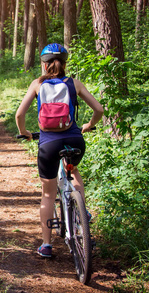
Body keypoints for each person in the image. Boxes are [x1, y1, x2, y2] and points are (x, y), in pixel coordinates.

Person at [15, 43, 104, 258]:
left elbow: (19, 115)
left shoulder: (37, 84)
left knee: (48, 194)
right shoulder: (74, 83)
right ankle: (82, 217)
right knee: (72, 171)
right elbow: (99, 109)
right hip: (74, 139)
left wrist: (25, 132)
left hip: (48, 143)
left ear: (44, 66)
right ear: (64, 64)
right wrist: (89, 125)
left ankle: (46, 245)